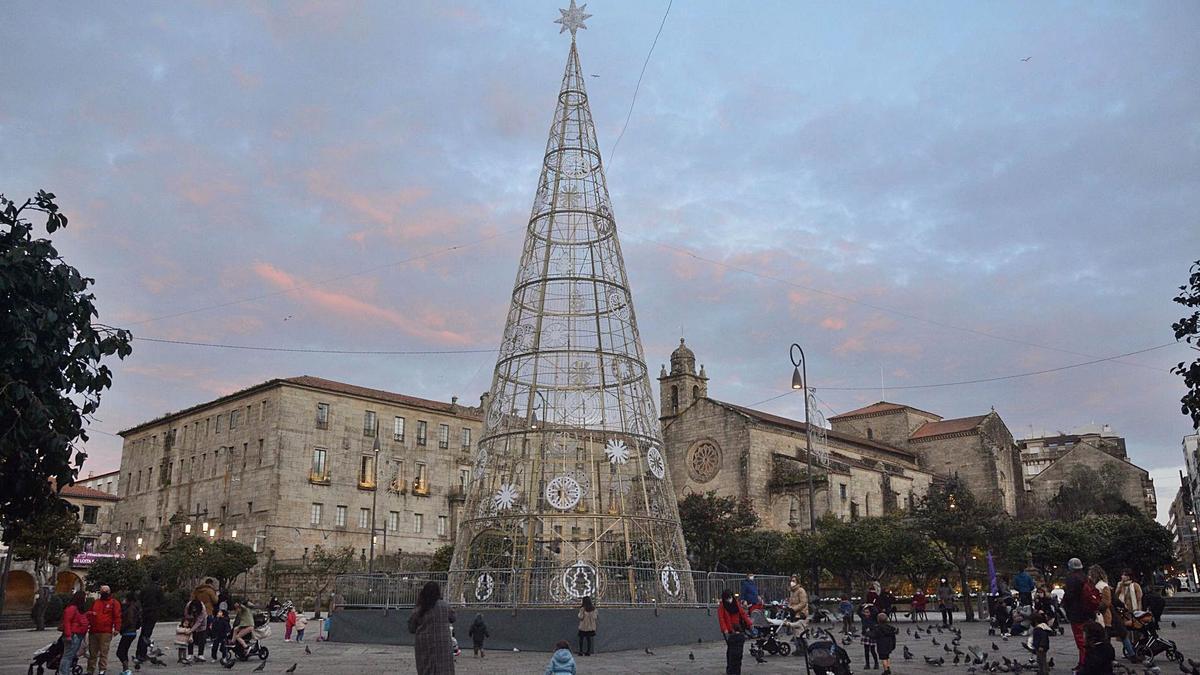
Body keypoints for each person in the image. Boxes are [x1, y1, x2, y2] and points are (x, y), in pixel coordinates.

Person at [407, 581, 455, 675]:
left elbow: (411, 628)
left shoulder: (420, 608)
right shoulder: (444, 606)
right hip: (443, 644)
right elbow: (453, 618)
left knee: (425, 668)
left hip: (424, 645)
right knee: (444, 669)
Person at [1062, 557, 1098, 669]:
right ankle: (1090, 660)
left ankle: (1083, 662)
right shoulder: (1085, 578)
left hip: (1076, 613)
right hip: (1088, 613)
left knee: (1080, 639)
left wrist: (1065, 606)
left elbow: (1069, 596)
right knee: (1088, 637)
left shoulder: (1071, 579)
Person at [86, 584, 121, 675]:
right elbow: (89, 614)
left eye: (106, 591)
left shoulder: (114, 603)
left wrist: (117, 628)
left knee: (103, 652)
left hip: (105, 631)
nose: (104, 593)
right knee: (92, 653)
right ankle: (90, 670)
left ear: (109, 592)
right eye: (102, 591)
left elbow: (117, 616)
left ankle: (102, 670)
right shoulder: (96, 602)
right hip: (93, 631)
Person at [718, 589, 752, 675]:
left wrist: (749, 623)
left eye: (730, 598)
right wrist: (725, 629)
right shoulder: (722, 606)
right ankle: (731, 670)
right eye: (727, 598)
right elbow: (721, 618)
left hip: (737, 628)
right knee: (731, 651)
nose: (729, 600)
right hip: (729, 630)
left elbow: (742, 613)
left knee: (737, 652)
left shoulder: (736, 603)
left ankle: (736, 670)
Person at [136, 573, 165, 664]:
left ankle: (139, 652)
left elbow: (140, 598)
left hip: (145, 612)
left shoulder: (145, 588)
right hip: (153, 613)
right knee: (147, 634)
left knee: (143, 633)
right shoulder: (158, 589)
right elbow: (162, 601)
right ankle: (142, 654)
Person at [60, 590, 90, 675]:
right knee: (68, 656)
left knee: (71, 655)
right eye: (85, 597)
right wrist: (68, 635)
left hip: (78, 634)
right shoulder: (72, 608)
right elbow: (67, 622)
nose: (85, 599)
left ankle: (65, 671)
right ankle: (64, 672)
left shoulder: (78, 609)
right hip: (73, 635)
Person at [116, 591, 141, 675]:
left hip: (128, 632)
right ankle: (125, 670)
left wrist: (121, 628)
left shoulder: (130, 608)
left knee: (120, 652)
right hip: (132, 632)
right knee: (124, 651)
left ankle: (126, 669)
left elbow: (129, 620)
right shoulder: (136, 607)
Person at [185, 597, 208, 662]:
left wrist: (191, 630)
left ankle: (200, 654)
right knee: (190, 638)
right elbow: (186, 615)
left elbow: (199, 622)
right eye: (193, 608)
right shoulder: (188, 605)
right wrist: (190, 619)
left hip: (202, 624)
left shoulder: (202, 609)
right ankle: (190, 654)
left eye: (195, 608)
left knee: (201, 638)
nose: (194, 609)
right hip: (191, 622)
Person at [859, 601, 880, 670]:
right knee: (866, 651)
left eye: (868, 612)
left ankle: (876, 663)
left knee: (873, 650)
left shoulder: (873, 617)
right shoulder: (863, 617)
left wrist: (871, 606)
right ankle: (867, 664)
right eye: (865, 612)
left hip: (872, 635)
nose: (866, 614)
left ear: (870, 613)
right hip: (866, 634)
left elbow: (876, 611)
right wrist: (862, 605)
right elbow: (858, 611)